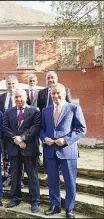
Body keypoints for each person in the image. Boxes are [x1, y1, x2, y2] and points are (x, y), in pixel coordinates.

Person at [40, 83, 86, 218]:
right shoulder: (46, 110)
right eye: (53, 94)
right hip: (50, 150)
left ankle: (69, 208)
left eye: (58, 93)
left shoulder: (74, 108)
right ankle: (55, 205)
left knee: (69, 181)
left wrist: (65, 140)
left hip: (67, 151)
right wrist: (44, 138)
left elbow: (81, 129)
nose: (55, 96)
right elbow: (41, 129)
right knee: (53, 180)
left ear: (64, 94)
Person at [3, 89, 41, 213]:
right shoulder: (9, 111)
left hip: (29, 148)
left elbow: (35, 127)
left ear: (26, 97)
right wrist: (17, 140)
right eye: (16, 97)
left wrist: (23, 138)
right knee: (15, 175)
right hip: (14, 148)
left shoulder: (34, 110)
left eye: (21, 97)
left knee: (32, 176)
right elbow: (5, 127)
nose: (18, 99)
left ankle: (35, 202)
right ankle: (15, 198)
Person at [37, 71, 72, 182]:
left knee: (61, 148)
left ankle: (61, 172)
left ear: (57, 79)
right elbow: (39, 109)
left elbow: (70, 106)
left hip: (61, 125)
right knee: (47, 146)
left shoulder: (64, 90)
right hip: (47, 123)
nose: (50, 80)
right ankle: (47, 171)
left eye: (52, 78)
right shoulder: (41, 93)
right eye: (48, 78)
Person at [0, 76, 23, 188]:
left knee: (20, 156)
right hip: (5, 132)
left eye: (13, 84)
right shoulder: (1, 98)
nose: (11, 86)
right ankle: (7, 177)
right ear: (6, 85)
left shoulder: (21, 96)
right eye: (9, 84)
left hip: (19, 132)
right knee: (6, 156)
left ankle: (19, 179)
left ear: (16, 84)